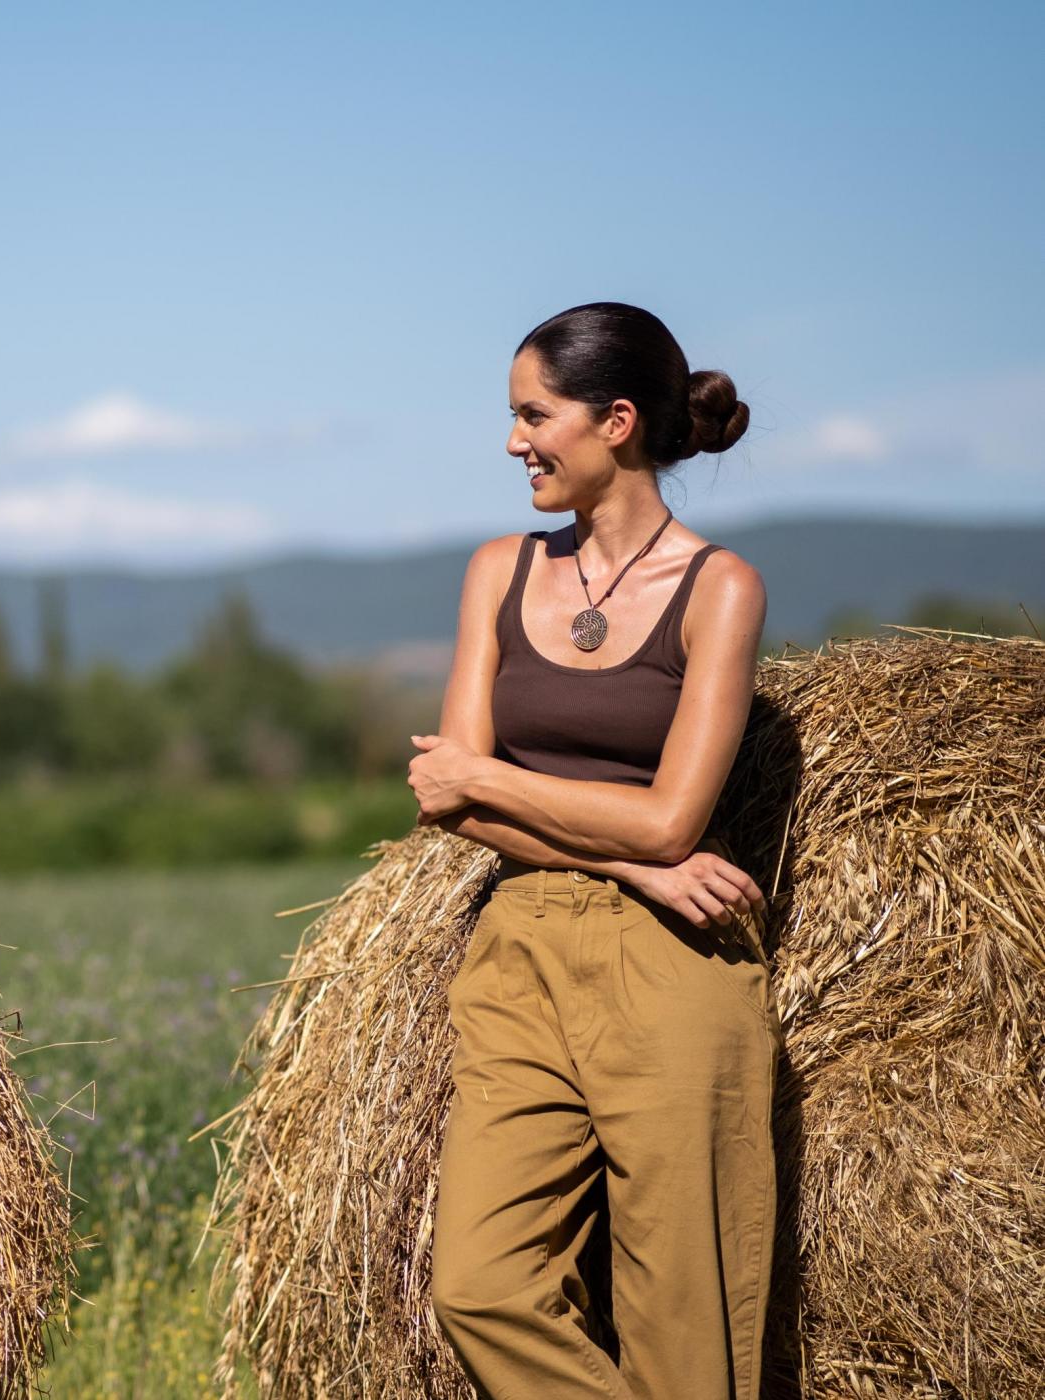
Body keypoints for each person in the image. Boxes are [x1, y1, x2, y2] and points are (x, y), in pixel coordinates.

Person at [408, 302, 776, 1398]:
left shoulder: (720, 588)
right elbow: (446, 800)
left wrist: (492, 778)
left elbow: (671, 814)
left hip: (674, 964)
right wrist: (623, 856)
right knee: (480, 1283)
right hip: (520, 946)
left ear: (616, 420)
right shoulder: (499, 571)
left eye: (534, 413)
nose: (514, 440)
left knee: (683, 1320)